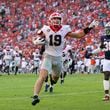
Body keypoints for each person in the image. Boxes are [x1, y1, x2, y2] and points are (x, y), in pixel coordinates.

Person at [31, 12, 98, 105]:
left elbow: (79, 35)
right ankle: (35, 96)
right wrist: (35, 41)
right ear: (50, 20)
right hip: (48, 56)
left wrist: (89, 27)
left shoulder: (64, 29)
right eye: (54, 19)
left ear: (61, 20)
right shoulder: (45, 29)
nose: (56, 20)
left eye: (58, 19)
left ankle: (52, 80)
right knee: (42, 77)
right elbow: (35, 37)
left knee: (55, 79)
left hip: (58, 58)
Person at [92, 22, 110, 101]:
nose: (107, 29)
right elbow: (101, 48)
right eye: (107, 28)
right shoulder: (103, 37)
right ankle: (107, 95)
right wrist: (92, 52)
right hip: (106, 59)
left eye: (109, 28)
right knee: (106, 76)